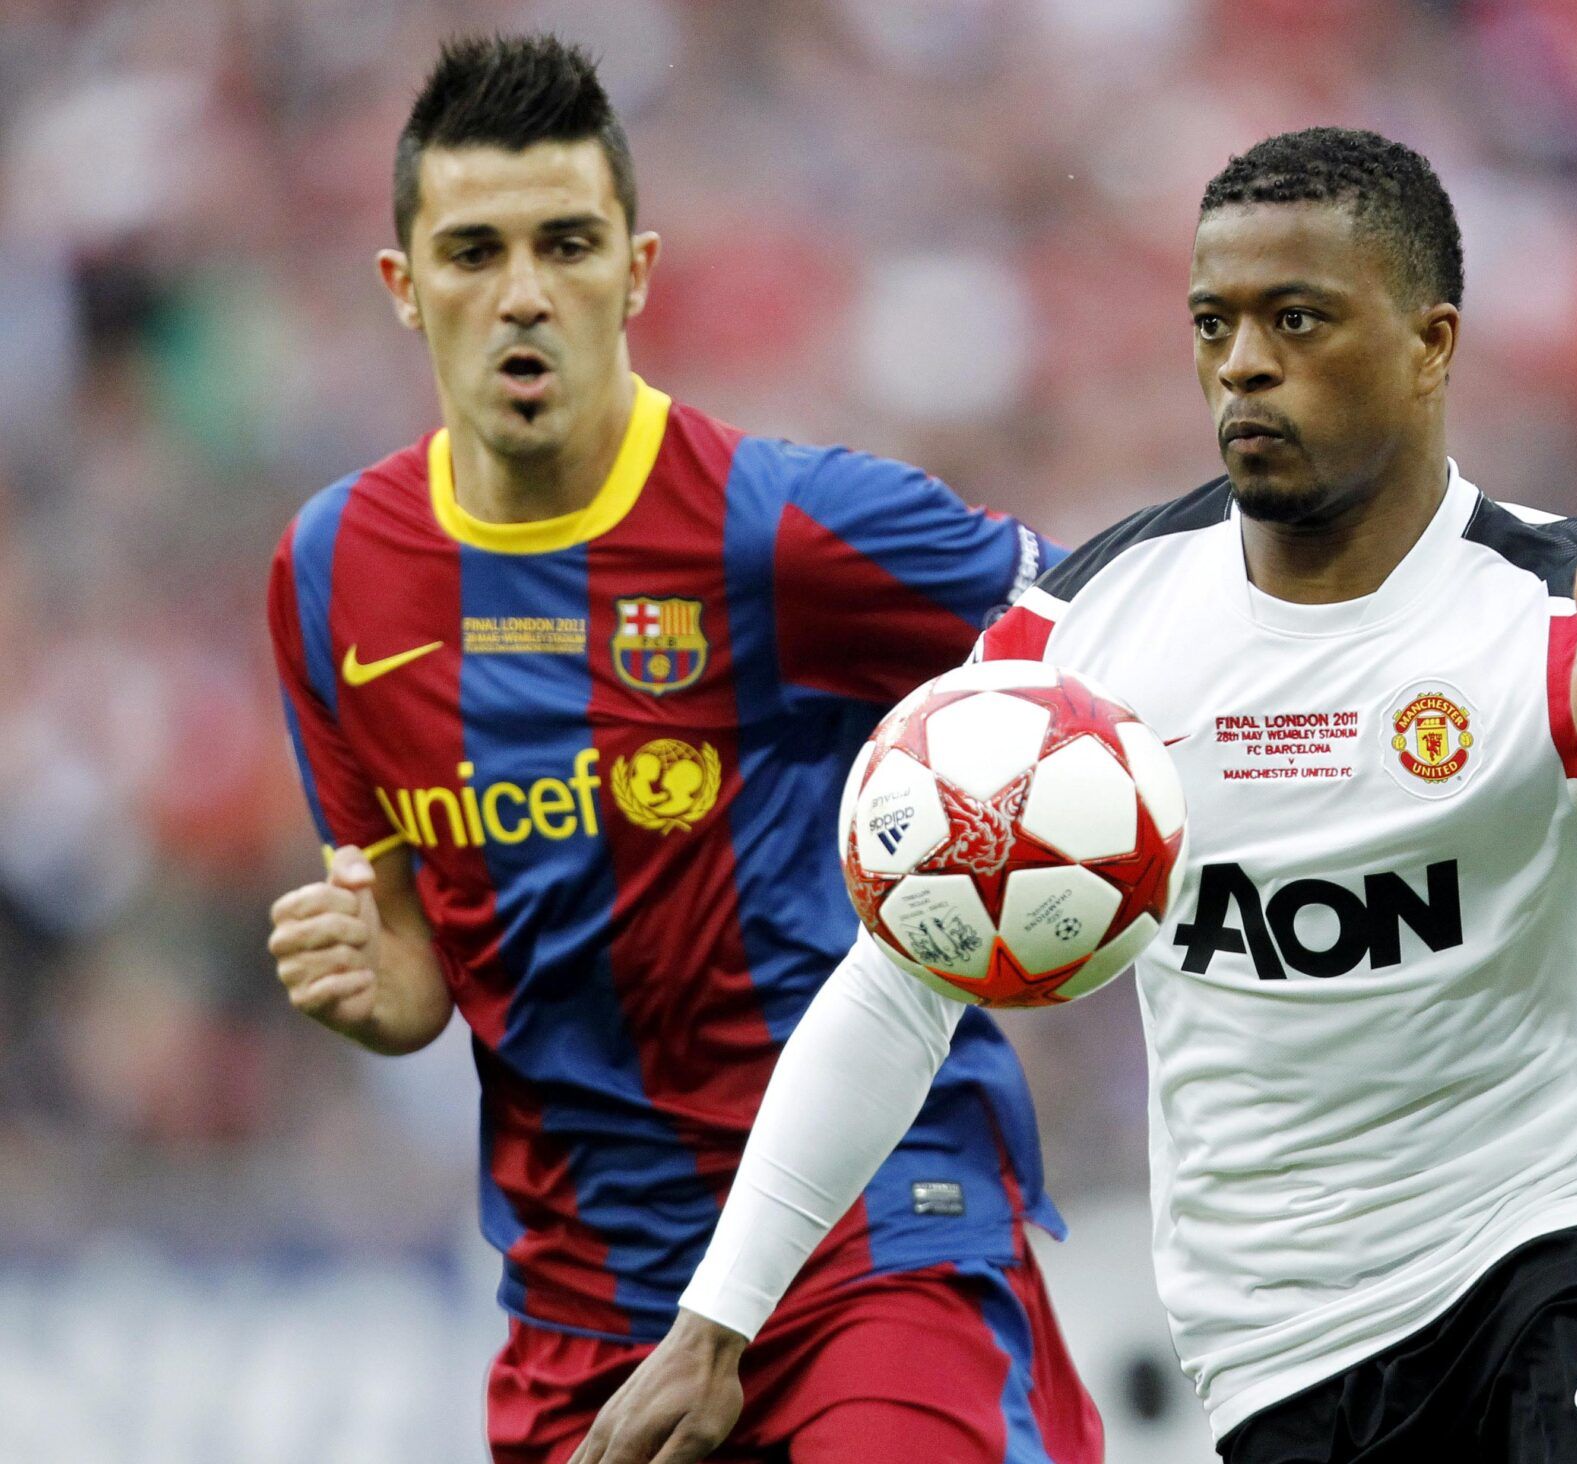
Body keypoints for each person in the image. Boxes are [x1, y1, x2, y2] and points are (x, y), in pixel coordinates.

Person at [600, 128, 1577, 1464]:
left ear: (1431, 344)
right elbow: (899, 988)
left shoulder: (1555, 617)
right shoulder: (1082, 640)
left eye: (1296, 319)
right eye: (1213, 323)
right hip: (1284, 1345)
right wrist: (715, 1325)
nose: (1243, 362)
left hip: (1569, 1242)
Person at [263, 33, 1101, 1464]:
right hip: (587, 1302)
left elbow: (1110, 628)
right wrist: (380, 985)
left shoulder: (785, 527)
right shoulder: (335, 574)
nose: (523, 294)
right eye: (473, 252)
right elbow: (411, 945)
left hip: (868, 1245)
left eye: (566, 244)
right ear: (403, 286)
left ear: (637, 271)